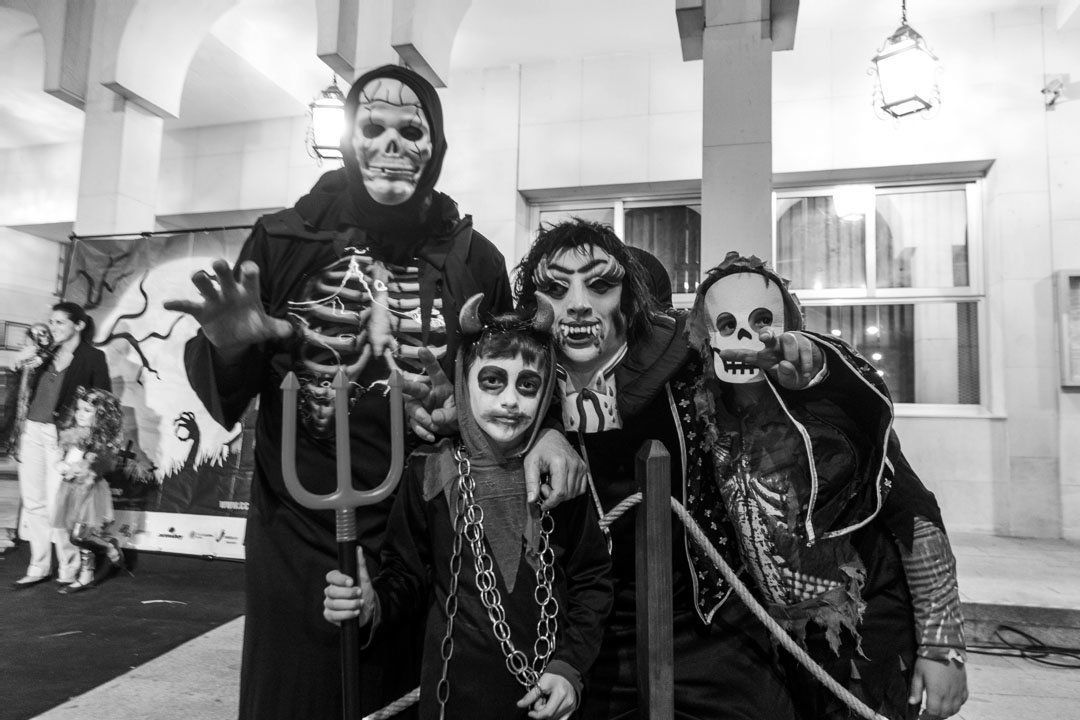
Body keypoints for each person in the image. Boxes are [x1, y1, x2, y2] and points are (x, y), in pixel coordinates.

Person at [164, 65, 585, 720]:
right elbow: (230, 391)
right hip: (300, 526)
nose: (392, 144)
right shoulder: (284, 240)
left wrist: (551, 424)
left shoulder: (474, 258)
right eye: (374, 127)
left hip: (424, 522)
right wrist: (230, 343)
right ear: (350, 141)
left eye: (411, 129)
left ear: (434, 146)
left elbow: (517, 366)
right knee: (300, 697)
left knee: (415, 692)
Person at [514, 219, 801, 720]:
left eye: (600, 284)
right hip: (588, 635)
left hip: (709, 626)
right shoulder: (522, 387)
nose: (578, 303)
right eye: (557, 289)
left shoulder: (692, 366)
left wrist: (938, 636)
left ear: (628, 297)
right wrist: (542, 430)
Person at [686, 253, 968, 720]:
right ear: (706, 336)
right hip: (783, 641)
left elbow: (916, 516)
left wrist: (943, 648)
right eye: (727, 325)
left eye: (762, 322)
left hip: (868, 630)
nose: (745, 341)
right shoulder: (710, 418)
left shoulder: (828, 414)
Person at [324, 298, 612, 719]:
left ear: (547, 388)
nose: (511, 401)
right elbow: (407, 576)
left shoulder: (560, 475)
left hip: (546, 698)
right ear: (464, 380)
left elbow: (593, 581)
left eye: (528, 385)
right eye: (493, 381)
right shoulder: (429, 472)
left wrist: (570, 667)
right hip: (452, 701)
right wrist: (372, 607)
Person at [12, 302, 111, 590]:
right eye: (51, 322)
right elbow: (24, 387)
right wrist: (26, 358)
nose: (53, 327)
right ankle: (38, 565)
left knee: (59, 504)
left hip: (63, 436)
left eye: (59, 323)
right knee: (33, 502)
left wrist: (86, 443)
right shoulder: (45, 353)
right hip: (32, 429)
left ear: (78, 325)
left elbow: (103, 403)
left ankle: (69, 568)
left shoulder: (93, 357)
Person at [51, 387, 127, 594]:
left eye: (87, 410)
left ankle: (109, 547)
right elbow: (62, 456)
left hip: (89, 490)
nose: (79, 414)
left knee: (80, 535)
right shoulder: (72, 434)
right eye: (79, 409)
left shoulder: (100, 442)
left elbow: (97, 466)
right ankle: (87, 575)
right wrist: (60, 464)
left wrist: (81, 469)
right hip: (69, 489)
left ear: (100, 416)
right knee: (71, 532)